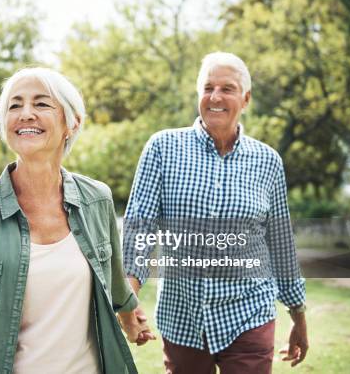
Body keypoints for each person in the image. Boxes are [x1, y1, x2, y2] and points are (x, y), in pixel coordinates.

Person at [0, 67, 152, 374]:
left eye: (42, 104)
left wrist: (129, 315)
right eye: (15, 105)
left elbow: (113, 280)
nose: (26, 113)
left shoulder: (97, 199)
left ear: (72, 122)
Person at [122, 52, 308, 374]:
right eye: (208, 88)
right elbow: (140, 227)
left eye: (227, 88)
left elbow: (280, 244)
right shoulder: (163, 148)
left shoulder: (268, 162)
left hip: (250, 312)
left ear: (245, 99)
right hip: (183, 316)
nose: (215, 97)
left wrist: (298, 315)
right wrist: (130, 297)